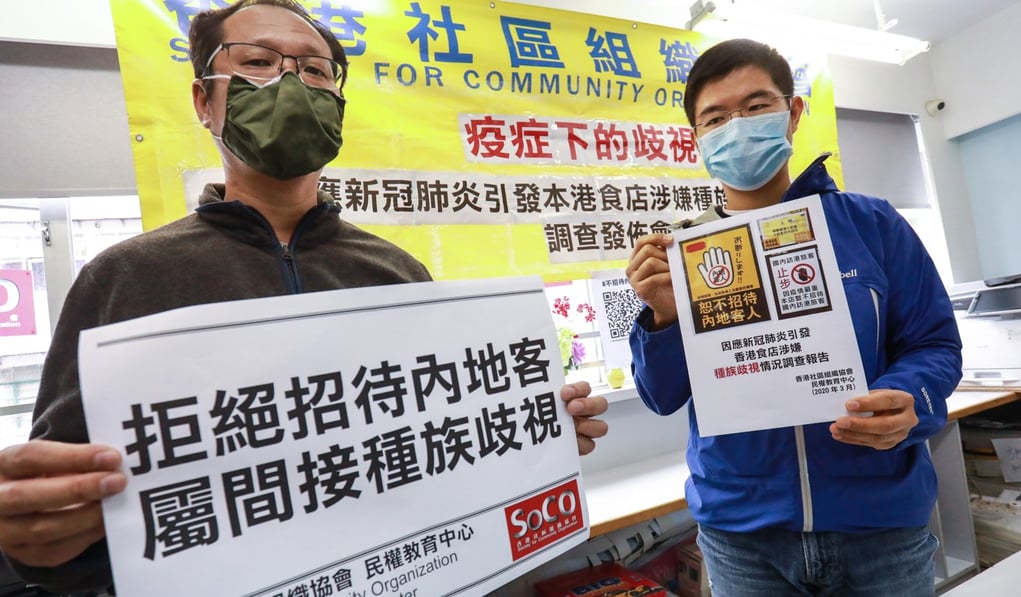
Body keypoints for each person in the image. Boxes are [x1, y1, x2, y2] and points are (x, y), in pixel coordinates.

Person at [0, 1, 608, 593]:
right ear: (204, 101)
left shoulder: (397, 274)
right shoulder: (124, 279)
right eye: (258, 62)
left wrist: (530, 438)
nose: (290, 84)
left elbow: (434, 452)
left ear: (337, 107)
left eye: (315, 70)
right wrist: (41, 539)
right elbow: (64, 529)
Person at [626, 38, 961, 596]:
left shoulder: (871, 224)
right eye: (716, 118)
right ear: (697, 139)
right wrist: (664, 318)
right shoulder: (689, 255)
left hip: (879, 525)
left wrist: (911, 398)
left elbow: (935, 345)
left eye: (756, 106)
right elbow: (662, 396)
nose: (737, 127)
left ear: (793, 112)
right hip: (743, 538)